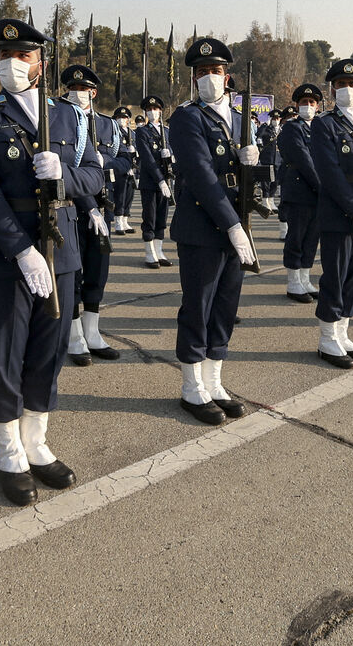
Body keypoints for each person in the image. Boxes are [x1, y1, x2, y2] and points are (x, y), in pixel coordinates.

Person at [0, 18, 103, 506]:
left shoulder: (67, 116)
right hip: (7, 251)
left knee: (49, 347)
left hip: (60, 246)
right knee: (7, 350)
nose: (10, 65)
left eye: (21, 56)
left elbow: (96, 177)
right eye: (3, 55)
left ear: (41, 63)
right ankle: (8, 450)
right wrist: (21, 249)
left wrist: (65, 177)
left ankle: (36, 441)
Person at [168, 37, 256, 425]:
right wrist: (233, 224)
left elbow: (246, 175)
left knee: (225, 304)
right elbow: (202, 177)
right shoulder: (188, 117)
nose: (208, 78)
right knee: (198, 306)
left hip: (236, 222)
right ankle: (191, 386)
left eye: (215, 72)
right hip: (203, 226)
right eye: (201, 73)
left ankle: (215, 380)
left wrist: (254, 162)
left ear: (228, 76)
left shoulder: (240, 118)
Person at [309, 60, 353, 367]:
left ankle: (343, 331)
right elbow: (330, 173)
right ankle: (327, 338)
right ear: (332, 89)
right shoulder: (325, 124)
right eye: (340, 85)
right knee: (335, 276)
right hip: (340, 212)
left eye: (352, 84)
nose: (346, 89)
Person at [62, 66, 121, 366]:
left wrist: (105, 160)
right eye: (72, 86)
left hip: (103, 208)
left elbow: (124, 158)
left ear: (93, 93)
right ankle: (74, 337)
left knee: (98, 269)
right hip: (73, 207)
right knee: (73, 272)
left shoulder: (109, 125)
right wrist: (89, 206)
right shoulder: (60, 120)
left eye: (83, 88)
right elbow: (67, 170)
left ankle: (92, 331)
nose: (76, 92)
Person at [279, 83, 323, 303]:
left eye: (312, 103)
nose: (308, 106)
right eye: (304, 103)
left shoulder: (320, 127)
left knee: (311, 237)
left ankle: (305, 278)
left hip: (317, 193)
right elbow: (304, 161)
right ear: (297, 105)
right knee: (296, 236)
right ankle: (293, 281)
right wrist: (323, 187)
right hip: (299, 191)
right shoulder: (292, 128)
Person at [135, 94, 174, 268]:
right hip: (151, 182)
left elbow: (175, 153)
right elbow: (148, 159)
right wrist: (159, 180)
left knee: (162, 218)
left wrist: (171, 157)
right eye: (149, 110)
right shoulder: (142, 132)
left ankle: (159, 251)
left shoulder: (166, 132)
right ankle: (150, 253)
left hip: (166, 181)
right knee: (149, 217)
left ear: (161, 111)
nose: (152, 112)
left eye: (155, 109)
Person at [110, 105, 138, 234]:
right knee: (120, 195)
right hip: (119, 168)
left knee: (129, 195)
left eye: (124, 117)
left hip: (132, 169)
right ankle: (118, 221)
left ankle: (125, 219)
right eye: (119, 117)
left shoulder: (132, 133)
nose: (122, 120)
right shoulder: (113, 132)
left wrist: (135, 153)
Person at [257, 108, 282, 212]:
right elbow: (259, 136)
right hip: (267, 158)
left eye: (277, 118)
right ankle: (265, 200)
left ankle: (271, 200)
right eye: (274, 118)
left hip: (278, 159)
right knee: (266, 180)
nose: (276, 120)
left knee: (275, 181)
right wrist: (265, 125)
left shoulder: (282, 130)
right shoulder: (266, 128)